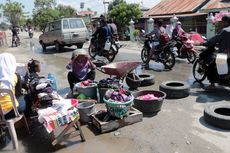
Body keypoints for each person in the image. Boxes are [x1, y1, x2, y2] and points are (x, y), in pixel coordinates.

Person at [202, 15, 230, 89]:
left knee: (210, 66)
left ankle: (212, 84)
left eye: (223, 22)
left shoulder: (225, 30)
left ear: (226, 22)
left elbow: (215, 39)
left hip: (225, 54)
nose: (222, 23)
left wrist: (205, 43)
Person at [0, 53, 26, 119]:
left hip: (0, 115)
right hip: (12, 112)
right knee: (23, 97)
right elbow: (18, 94)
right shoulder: (14, 76)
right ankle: (28, 118)